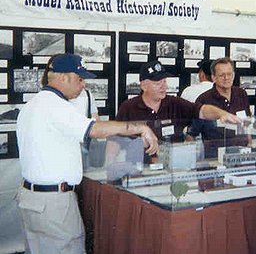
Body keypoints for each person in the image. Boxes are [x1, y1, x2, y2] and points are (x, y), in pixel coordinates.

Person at [16, 54, 158, 254]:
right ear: (63, 77)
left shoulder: (33, 104)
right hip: (54, 204)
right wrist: (141, 128)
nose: (83, 85)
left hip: (33, 199)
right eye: (80, 79)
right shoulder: (56, 106)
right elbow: (95, 130)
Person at [115, 60, 242, 147]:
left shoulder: (175, 103)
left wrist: (221, 113)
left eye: (164, 82)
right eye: (157, 83)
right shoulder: (128, 107)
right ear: (144, 85)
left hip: (173, 169)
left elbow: (202, 110)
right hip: (139, 169)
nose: (163, 87)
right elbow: (115, 141)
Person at [194, 57, 251, 157]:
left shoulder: (241, 94)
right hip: (215, 157)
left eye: (229, 74)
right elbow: (192, 133)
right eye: (222, 75)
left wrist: (250, 144)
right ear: (213, 78)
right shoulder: (204, 99)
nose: (226, 78)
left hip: (241, 153)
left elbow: (247, 122)